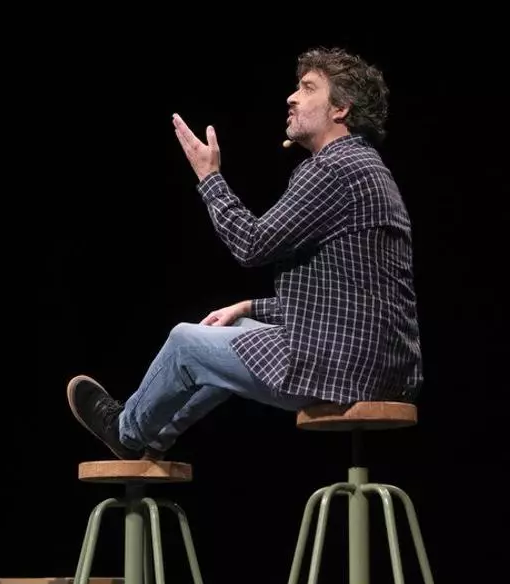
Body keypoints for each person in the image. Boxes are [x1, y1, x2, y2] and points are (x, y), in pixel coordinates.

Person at [67, 47, 422, 460]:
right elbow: (344, 301)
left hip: (342, 369)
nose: (292, 97)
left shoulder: (332, 168)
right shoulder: (367, 166)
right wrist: (249, 306)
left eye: (308, 88)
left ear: (340, 109)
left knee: (185, 343)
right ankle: (155, 437)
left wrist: (209, 177)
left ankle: (127, 432)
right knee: (229, 331)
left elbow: (251, 245)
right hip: (385, 367)